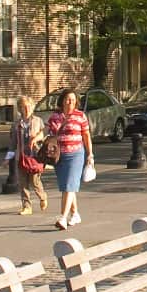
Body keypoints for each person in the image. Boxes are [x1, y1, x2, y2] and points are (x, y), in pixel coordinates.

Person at [47, 89, 94, 230]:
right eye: (68, 99)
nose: (70, 102)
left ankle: (62, 218)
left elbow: (86, 136)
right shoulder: (55, 116)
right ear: (62, 101)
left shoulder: (80, 116)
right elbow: (49, 134)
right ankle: (75, 214)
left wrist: (90, 154)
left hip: (76, 155)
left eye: (73, 100)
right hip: (59, 156)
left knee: (69, 186)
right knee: (68, 187)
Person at [10, 94, 47, 216]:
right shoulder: (16, 125)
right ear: (20, 109)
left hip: (34, 156)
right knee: (23, 183)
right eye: (23, 107)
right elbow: (13, 143)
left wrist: (35, 139)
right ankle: (26, 206)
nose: (26, 110)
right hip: (21, 157)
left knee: (35, 182)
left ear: (32, 107)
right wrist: (7, 158)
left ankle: (42, 197)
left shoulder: (38, 121)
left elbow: (42, 135)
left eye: (28, 107)